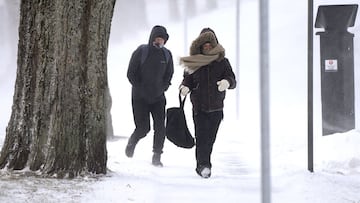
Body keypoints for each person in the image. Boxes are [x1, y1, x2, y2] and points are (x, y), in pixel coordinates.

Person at [179, 28, 236, 178]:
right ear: (200, 45)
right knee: (201, 137)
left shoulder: (223, 62)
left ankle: (204, 163)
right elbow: (187, 80)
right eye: (204, 44)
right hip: (199, 107)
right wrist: (184, 87)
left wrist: (227, 82)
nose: (207, 47)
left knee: (210, 139)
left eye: (210, 44)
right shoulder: (193, 62)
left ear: (214, 44)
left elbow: (232, 79)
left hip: (217, 108)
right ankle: (203, 166)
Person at [126, 25, 174, 167]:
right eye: (157, 38)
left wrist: (163, 87)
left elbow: (169, 74)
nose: (159, 41)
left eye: (162, 39)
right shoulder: (141, 51)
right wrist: (140, 88)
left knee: (160, 127)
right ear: (152, 38)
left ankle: (157, 155)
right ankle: (133, 141)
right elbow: (131, 73)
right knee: (143, 128)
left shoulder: (166, 55)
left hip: (158, 97)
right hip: (140, 98)